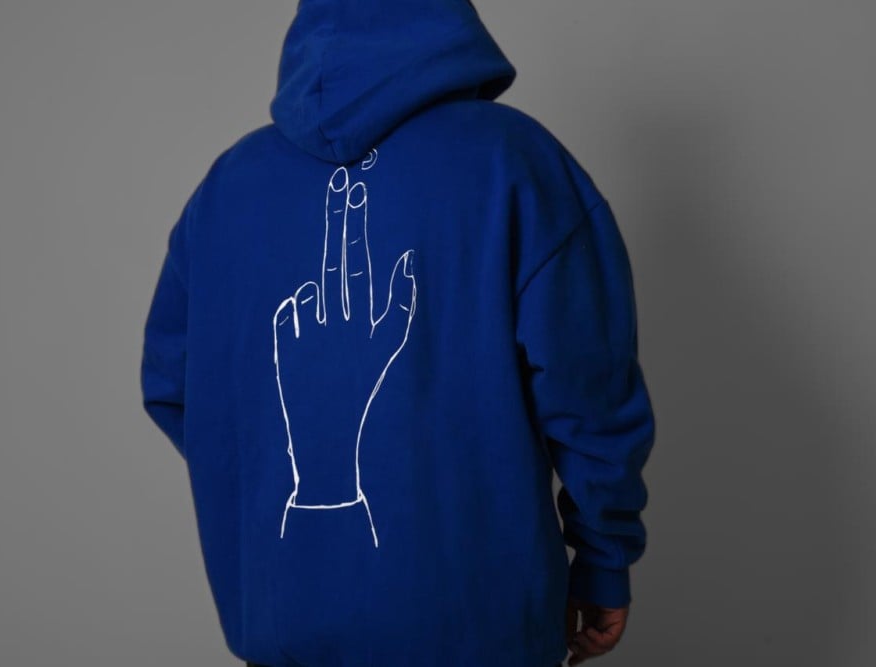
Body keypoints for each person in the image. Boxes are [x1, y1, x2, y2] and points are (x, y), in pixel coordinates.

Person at [140, 1, 656, 666]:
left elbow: (173, 385)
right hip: (482, 634)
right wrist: (604, 559)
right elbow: (591, 393)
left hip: (282, 629)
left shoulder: (225, 190)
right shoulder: (515, 163)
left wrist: (303, 476)